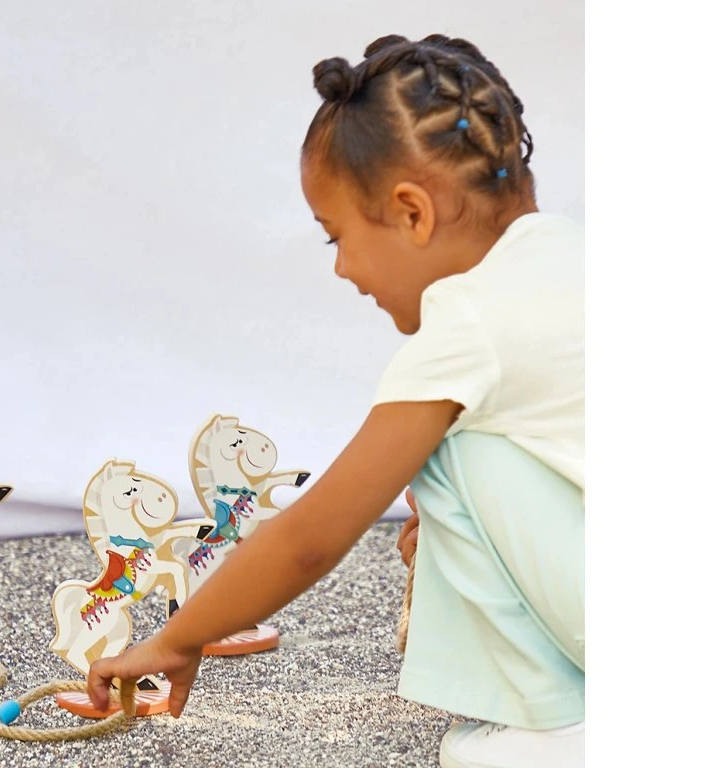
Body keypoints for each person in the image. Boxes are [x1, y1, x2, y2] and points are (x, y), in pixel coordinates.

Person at [86, 33, 584, 768]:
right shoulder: (571, 253)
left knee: (443, 451)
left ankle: (563, 727)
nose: (344, 269)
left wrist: (178, 639)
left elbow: (311, 537)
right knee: (467, 462)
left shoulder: (469, 325)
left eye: (336, 238)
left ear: (412, 213)